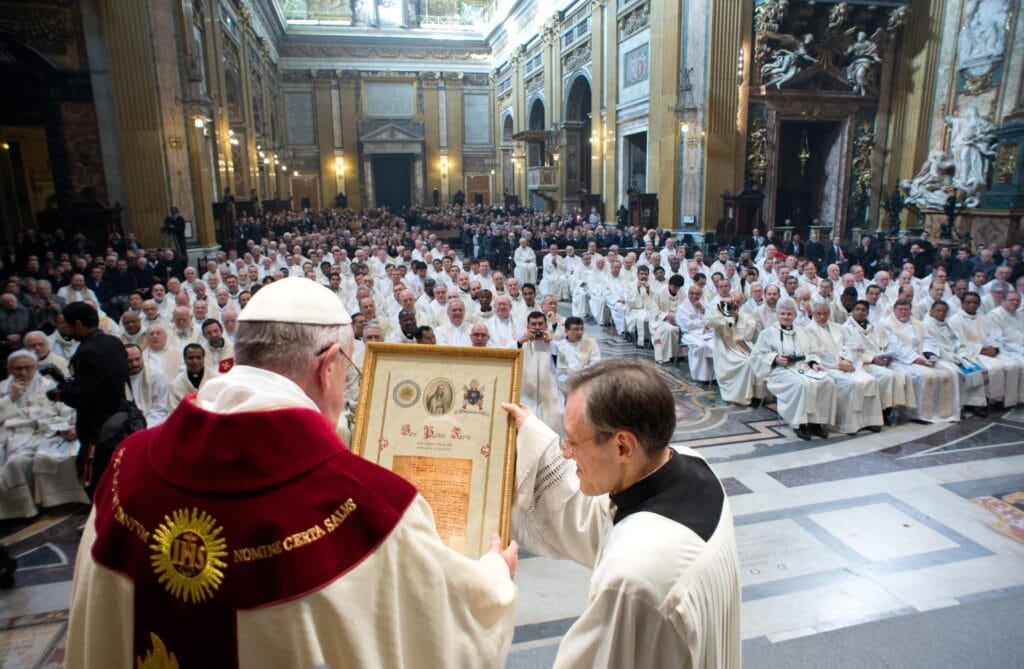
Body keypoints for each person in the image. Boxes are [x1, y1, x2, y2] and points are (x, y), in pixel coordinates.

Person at [67, 277, 518, 667]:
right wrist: (495, 576)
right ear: (328, 365)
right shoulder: (371, 506)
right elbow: (442, 639)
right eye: (347, 369)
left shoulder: (127, 467)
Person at [502, 359, 740, 667]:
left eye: (572, 441)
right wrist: (532, 433)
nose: (566, 452)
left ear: (624, 447)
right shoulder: (689, 465)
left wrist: (493, 590)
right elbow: (590, 514)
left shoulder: (632, 580)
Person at [47, 302, 129, 497]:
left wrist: (62, 394)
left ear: (77, 323)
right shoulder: (114, 342)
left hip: (97, 427)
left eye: (67, 324)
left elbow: (86, 395)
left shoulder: (87, 351)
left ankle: (103, 522)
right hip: (120, 418)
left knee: (97, 482)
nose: (66, 329)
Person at [751, 297, 837, 440]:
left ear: (795, 315)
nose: (785, 317)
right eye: (782, 314)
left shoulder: (803, 332)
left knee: (828, 381)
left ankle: (816, 422)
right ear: (777, 314)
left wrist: (814, 364)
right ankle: (800, 424)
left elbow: (813, 351)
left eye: (789, 314)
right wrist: (775, 358)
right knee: (801, 385)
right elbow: (756, 355)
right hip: (779, 371)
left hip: (803, 367)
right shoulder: (768, 333)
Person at [707, 292, 758, 405]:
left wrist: (737, 318)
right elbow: (708, 321)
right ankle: (741, 396)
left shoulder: (744, 315)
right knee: (746, 363)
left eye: (738, 302)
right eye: (732, 301)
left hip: (742, 347)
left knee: (757, 359)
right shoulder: (719, 313)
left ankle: (754, 394)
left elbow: (747, 334)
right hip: (725, 350)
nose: (734, 304)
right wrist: (719, 306)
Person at [519, 311, 560, 433]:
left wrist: (552, 345)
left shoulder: (554, 344)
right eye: (533, 324)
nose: (537, 327)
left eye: (540, 324)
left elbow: (563, 365)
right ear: (527, 327)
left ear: (546, 326)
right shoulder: (520, 344)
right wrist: (519, 343)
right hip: (527, 397)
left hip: (549, 398)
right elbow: (510, 359)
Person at [124, 344, 169, 428]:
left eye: (137, 359)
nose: (134, 364)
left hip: (151, 425)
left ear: (142, 357)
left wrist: (143, 427)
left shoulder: (157, 376)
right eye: (129, 361)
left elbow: (160, 409)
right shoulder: (118, 377)